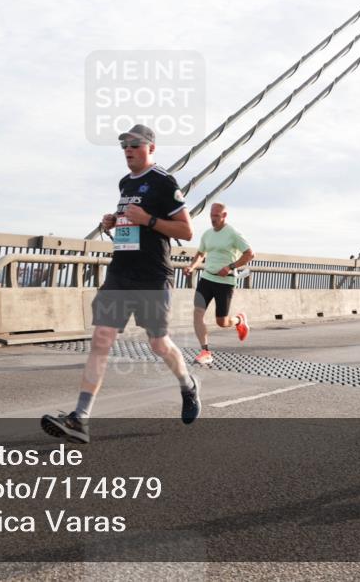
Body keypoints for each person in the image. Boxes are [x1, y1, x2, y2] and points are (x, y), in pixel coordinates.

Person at [41, 124, 198, 444]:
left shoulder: (164, 182)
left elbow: (186, 231)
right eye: (124, 145)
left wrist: (149, 221)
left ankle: (187, 384)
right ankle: (80, 418)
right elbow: (131, 220)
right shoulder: (125, 182)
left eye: (135, 144)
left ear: (151, 148)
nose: (128, 149)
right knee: (101, 340)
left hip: (152, 276)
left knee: (158, 343)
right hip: (120, 273)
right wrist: (113, 222)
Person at [183, 202, 254, 365]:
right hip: (206, 279)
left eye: (216, 216)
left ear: (224, 216)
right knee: (197, 313)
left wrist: (231, 266)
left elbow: (250, 254)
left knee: (222, 322)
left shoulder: (233, 234)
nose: (213, 219)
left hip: (225, 282)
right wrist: (192, 266)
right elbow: (201, 253)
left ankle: (239, 320)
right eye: (211, 216)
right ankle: (205, 351)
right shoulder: (207, 234)